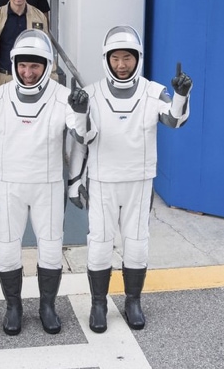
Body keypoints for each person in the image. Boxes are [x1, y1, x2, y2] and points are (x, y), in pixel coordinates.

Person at [67, 25, 192, 334]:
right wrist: (80, 111)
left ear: (138, 58)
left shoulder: (153, 91)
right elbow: (84, 137)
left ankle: (132, 300)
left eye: (128, 58)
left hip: (139, 180)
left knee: (137, 244)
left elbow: (174, 120)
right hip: (103, 180)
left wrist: (180, 95)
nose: (121, 65)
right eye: (115, 58)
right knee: (99, 244)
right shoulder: (91, 93)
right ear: (106, 59)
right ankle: (98, 303)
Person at [0, 29, 90, 336]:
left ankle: (47, 306)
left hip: (49, 186)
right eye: (23, 65)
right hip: (7, 186)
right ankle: (13, 306)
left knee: (51, 249)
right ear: (14, 64)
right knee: (8, 250)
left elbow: (82, 138)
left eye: (35, 65)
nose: (28, 72)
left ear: (46, 65)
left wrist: (74, 180)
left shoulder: (63, 97)